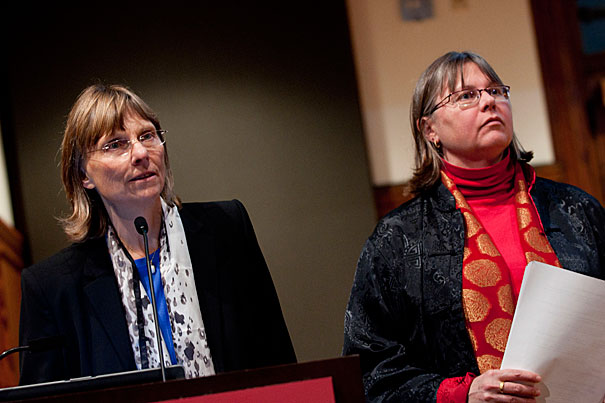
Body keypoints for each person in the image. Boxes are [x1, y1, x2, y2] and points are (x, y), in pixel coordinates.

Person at [343, 51, 604, 402]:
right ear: (429, 129)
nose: (489, 102)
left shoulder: (576, 209)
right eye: (466, 95)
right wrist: (462, 394)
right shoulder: (398, 239)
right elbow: (371, 371)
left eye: (497, 91)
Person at [19, 84, 296, 384]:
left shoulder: (226, 229)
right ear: (84, 174)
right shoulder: (52, 287)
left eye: (147, 136)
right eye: (116, 144)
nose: (140, 153)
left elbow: (279, 362)